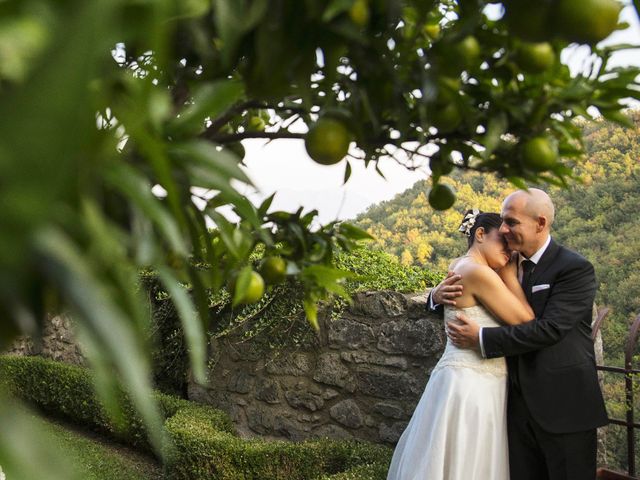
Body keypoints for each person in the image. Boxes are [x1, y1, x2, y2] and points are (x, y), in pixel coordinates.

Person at [440, 189, 608, 480]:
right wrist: (434, 295)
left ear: (540, 223)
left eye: (511, 222)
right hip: (513, 410)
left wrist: (481, 339)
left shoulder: (574, 268)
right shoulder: (502, 263)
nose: (503, 229)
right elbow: (468, 292)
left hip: (564, 406)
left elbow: (550, 329)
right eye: (503, 222)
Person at [387, 210, 535, 480]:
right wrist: (511, 275)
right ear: (480, 235)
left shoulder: (460, 265)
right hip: (473, 386)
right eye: (503, 242)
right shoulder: (479, 273)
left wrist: (433, 295)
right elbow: (526, 321)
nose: (510, 250)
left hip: (462, 379)